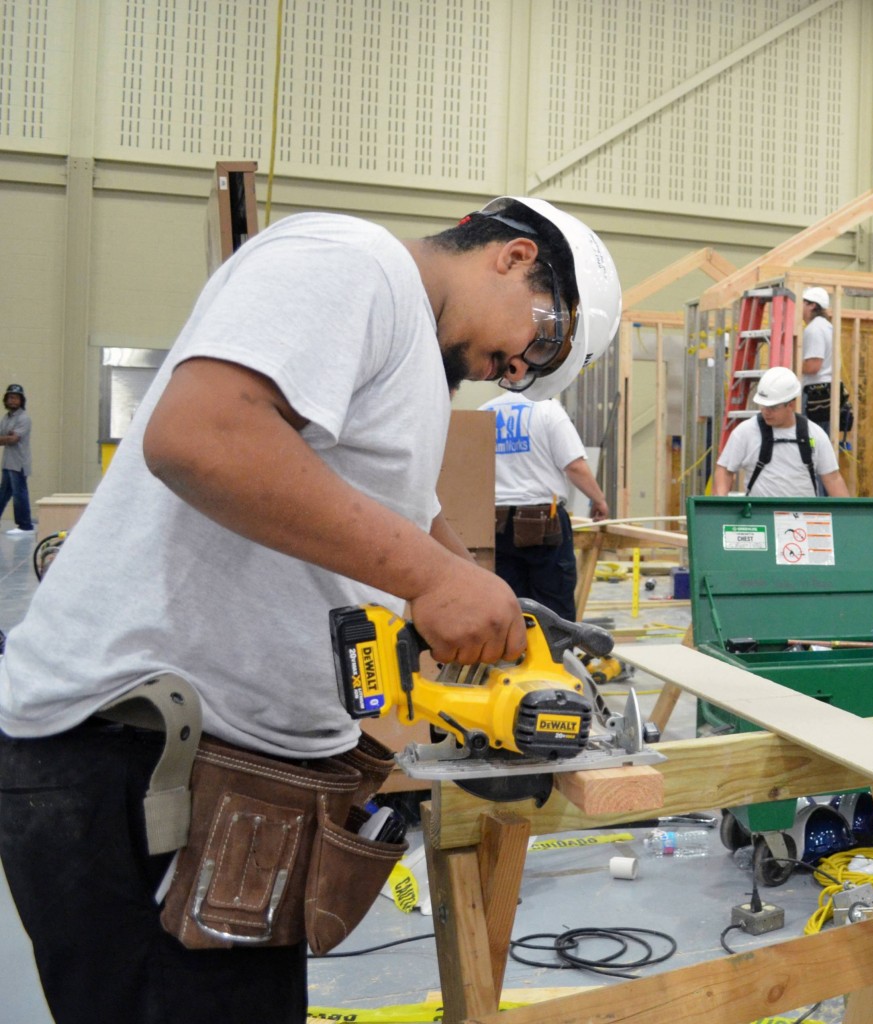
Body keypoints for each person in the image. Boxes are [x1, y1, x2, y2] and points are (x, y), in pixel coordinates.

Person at [0, 196, 621, 1023]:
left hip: (220, 781)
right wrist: (438, 581)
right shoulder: (352, 263)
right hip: (139, 760)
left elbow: (384, 507)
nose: (511, 368)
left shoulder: (407, 357)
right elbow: (203, 436)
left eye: (530, 371)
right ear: (511, 256)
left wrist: (482, 603)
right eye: (539, 340)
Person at [480, 392, 607, 622]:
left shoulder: (484, 411)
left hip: (495, 522)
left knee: (511, 603)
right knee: (553, 606)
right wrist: (598, 499)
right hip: (542, 523)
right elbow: (574, 466)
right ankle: (554, 658)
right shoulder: (547, 410)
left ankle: (519, 656)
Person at [714, 366, 848, 498]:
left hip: (803, 517)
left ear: (791, 405)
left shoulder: (815, 434)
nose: (766, 411)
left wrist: (849, 516)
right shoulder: (745, 432)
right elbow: (724, 470)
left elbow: (832, 479)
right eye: (763, 405)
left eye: (772, 407)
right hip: (760, 515)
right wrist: (719, 504)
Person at [799, 286, 852, 437]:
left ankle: (813, 460)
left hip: (817, 394)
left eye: (802, 302)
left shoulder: (814, 329)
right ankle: (818, 459)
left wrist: (791, 364)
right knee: (821, 437)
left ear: (812, 305)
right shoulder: (827, 327)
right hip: (827, 393)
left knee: (811, 438)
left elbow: (813, 366)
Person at [0, 383, 34, 535]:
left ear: (21, 400)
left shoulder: (24, 418)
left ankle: (25, 526)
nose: (13, 401)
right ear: (5, 400)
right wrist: (7, 437)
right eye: (10, 397)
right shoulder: (6, 418)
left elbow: (14, 439)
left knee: (19, 494)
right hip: (8, 462)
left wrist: (6, 437)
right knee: (3, 493)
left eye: (16, 398)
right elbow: (5, 438)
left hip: (19, 463)